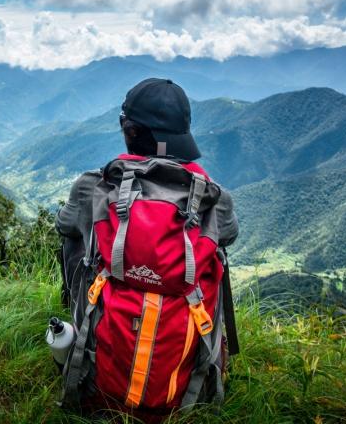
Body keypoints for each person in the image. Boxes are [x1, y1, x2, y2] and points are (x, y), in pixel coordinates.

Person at [56, 78, 238, 314]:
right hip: (183, 343)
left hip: (105, 339)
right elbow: (229, 235)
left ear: (131, 131)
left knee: (74, 238)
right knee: (216, 246)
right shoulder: (214, 198)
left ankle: (80, 318)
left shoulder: (93, 186)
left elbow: (64, 225)